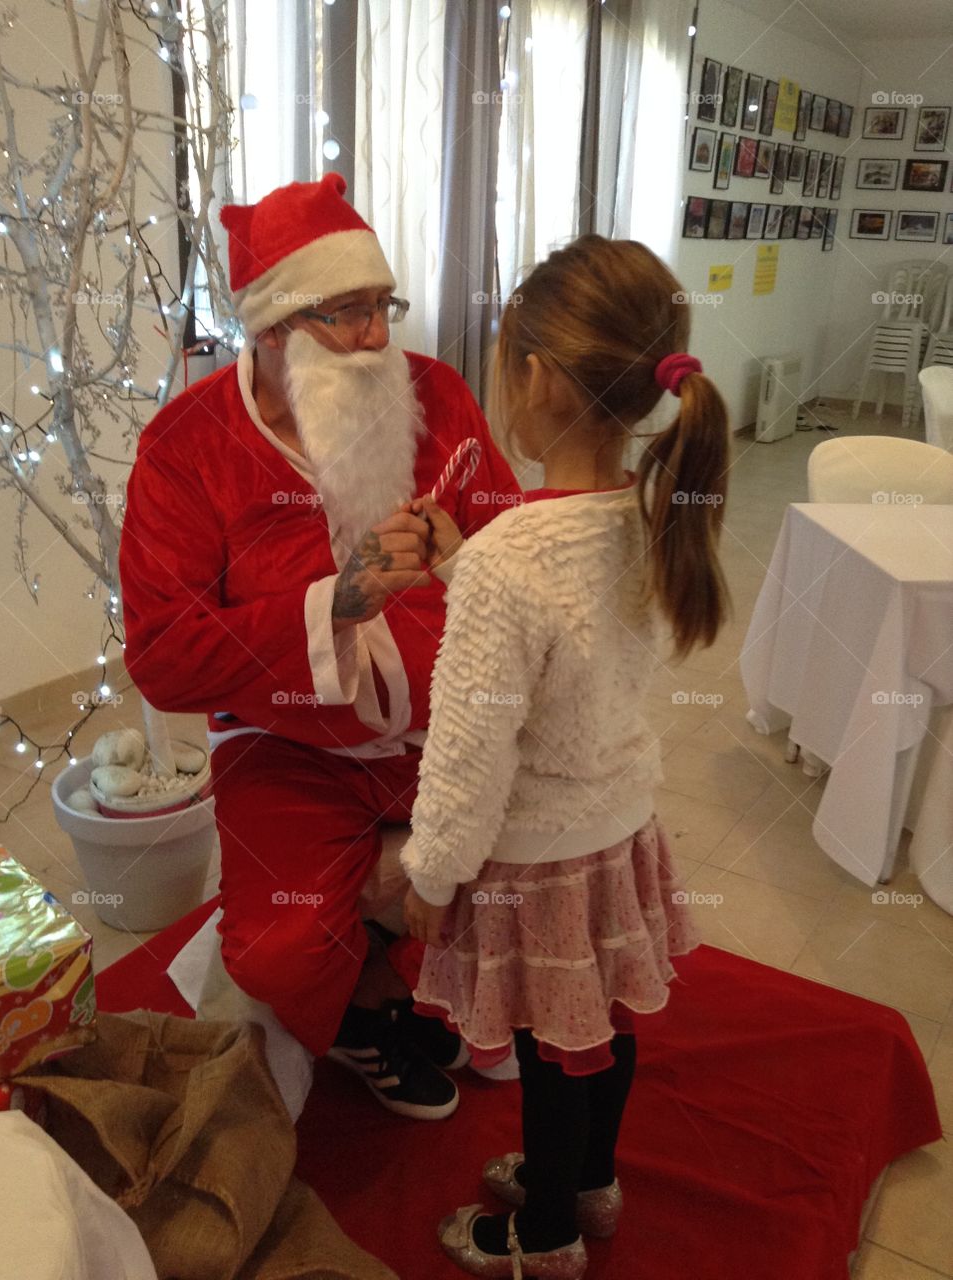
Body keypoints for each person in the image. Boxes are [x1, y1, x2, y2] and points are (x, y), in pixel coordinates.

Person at [119, 174, 523, 1122]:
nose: (378, 339)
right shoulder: (186, 448)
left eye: (383, 306)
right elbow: (164, 655)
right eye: (344, 315)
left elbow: (511, 558)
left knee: (534, 873)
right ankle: (366, 1001)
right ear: (269, 330)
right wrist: (331, 606)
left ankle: (418, 955)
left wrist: (466, 556)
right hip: (288, 747)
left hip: (449, 726)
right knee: (278, 950)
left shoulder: (438, 396)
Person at [399, 234, 731, 1277]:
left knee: (550, 1044)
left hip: (533, 857)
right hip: (620, 829)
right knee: (607, 1015)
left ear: (535, 375)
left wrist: (429, 872)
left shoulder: (511, 561)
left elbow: (468, 754)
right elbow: (570, 651)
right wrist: (466, 569)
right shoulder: (648, 509)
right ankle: (591, 1180)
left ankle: (540, 1233)